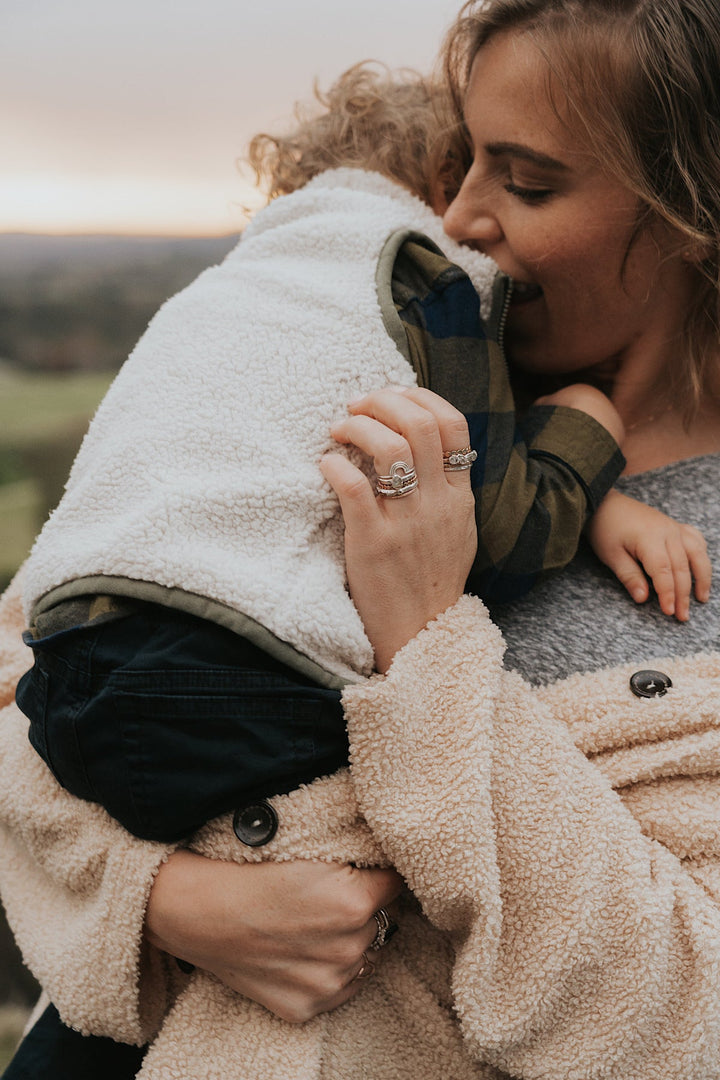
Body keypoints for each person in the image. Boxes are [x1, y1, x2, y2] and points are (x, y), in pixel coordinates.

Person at [1, 0, 720, 1075]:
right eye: (461, 164)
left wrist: (428, 636)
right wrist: (157, 899)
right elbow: (29, 667)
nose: (463, 218)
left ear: (688, 211)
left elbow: (682, 1012)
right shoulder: (402, 376)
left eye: (526, 181)